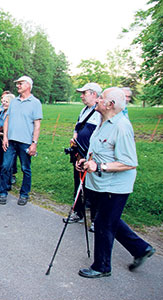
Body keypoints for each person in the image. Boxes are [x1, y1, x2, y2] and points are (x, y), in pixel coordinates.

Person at [76, 87, 155, 278]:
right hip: (100, 184)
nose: (97, 101)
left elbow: (129, 162)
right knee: (109, 219)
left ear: (110, 104)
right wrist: (85, 162)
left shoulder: (122, 126)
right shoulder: (103, 122)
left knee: (104, 224)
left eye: (101, 98)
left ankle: (102, 267)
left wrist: (99, 167)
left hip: (115, 186)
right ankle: (141, 248)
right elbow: (99, 149)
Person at [0, 76, 42, 206]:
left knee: (25, 168)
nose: (18, 86)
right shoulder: (14, 101)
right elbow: (7, 119)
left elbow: (37, 125)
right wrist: (5, 137)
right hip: (11, 141)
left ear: (28, 85)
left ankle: (24, 194)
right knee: (5, 166)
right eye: (17, 84)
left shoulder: (35, 103)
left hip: (25, 142)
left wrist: (34, 143)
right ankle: (3, 191)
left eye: (20, 84)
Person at [64, 83, 102, 225]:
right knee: (78, 183)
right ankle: (78, 212)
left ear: (93, 94)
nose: (81, 96)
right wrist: (74, 137)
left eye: (84, 93)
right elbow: (77, 127)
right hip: (79, 154)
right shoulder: (84, 110)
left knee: (93, 187)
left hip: (92, 156)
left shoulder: (100, 111)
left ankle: (95, 220)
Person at [0, 93, 17, 190]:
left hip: (9, 141)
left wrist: (3, 134)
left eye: (6, 101)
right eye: (3, 101)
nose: (3, 103)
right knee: (1, 160)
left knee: (7, 163)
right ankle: (4, 183)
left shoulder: (13, 114)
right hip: (1, 139)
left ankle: (6, 184)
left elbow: (14, 128)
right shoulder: (1, 111)